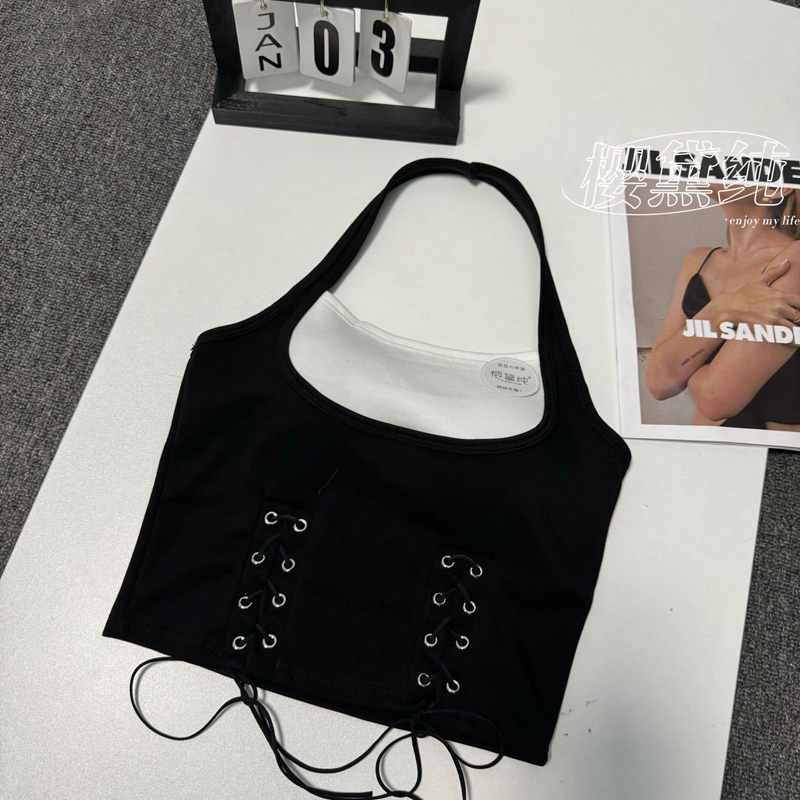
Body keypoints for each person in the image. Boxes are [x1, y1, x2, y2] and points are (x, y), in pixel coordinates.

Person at [646, 185, 800, 429]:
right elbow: (658, 384)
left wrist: (681, 365)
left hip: (767, 451)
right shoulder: (699, 260)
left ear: (775, 187)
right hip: (703, 447)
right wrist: (722, 309)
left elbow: (716, 401)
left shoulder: (794, 262)